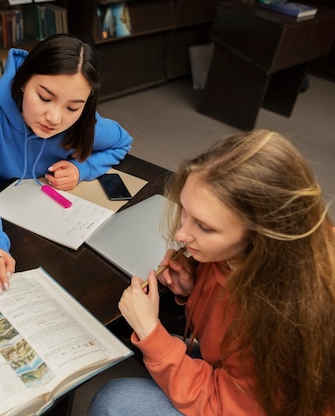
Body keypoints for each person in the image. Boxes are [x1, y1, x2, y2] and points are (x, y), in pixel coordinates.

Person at [88, 130, 335, 415]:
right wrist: (194, 289)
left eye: (205, 227)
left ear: (262, 234)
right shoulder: (247, 255)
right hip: (237, 379)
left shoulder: (286, 321)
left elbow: (225, 404)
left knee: (115, 402)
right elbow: (224, 334)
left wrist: (150, 331)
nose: (181, 234)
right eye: (184, 210)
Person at [0, 34, 133, 294]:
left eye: (73, 107)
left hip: (47, 230)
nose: (54, 118)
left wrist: (82, 169)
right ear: (24, 82)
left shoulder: (81, 121)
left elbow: (122, 142)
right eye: (45, 98)